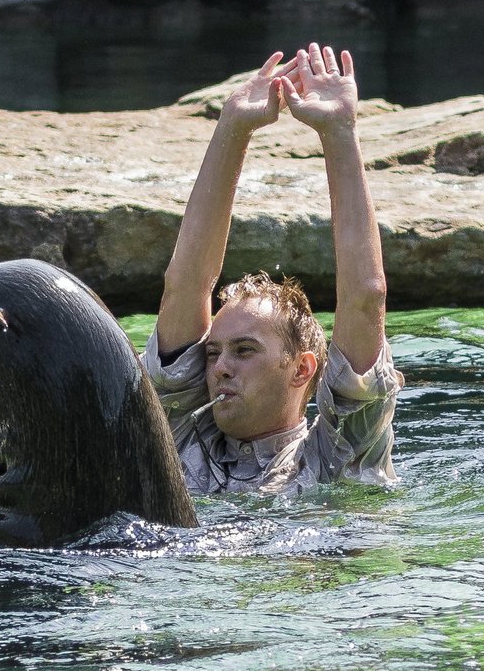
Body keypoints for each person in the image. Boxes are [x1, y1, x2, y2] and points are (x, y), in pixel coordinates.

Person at [142, 43, 403, 499]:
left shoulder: (339, 454)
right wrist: (233, 128)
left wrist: (339, 131)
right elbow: (184, 288)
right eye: (213, 354)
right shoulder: (179, 436)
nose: (219, 368)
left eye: (244, 351)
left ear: (301, 369)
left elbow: (366, 297)